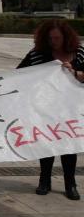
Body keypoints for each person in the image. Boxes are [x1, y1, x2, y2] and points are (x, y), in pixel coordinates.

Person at [17, 19, 83, 200]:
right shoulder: (37, 54)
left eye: (57, 38)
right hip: (45, 106)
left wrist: (75, 73)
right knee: (47, 143)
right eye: (50, 38)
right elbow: (18, 75)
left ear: (66, 37)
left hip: (71, 107)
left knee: (69, 145)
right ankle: (44, 181)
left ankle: (71, 184)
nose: (53, 41)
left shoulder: (79, 53)